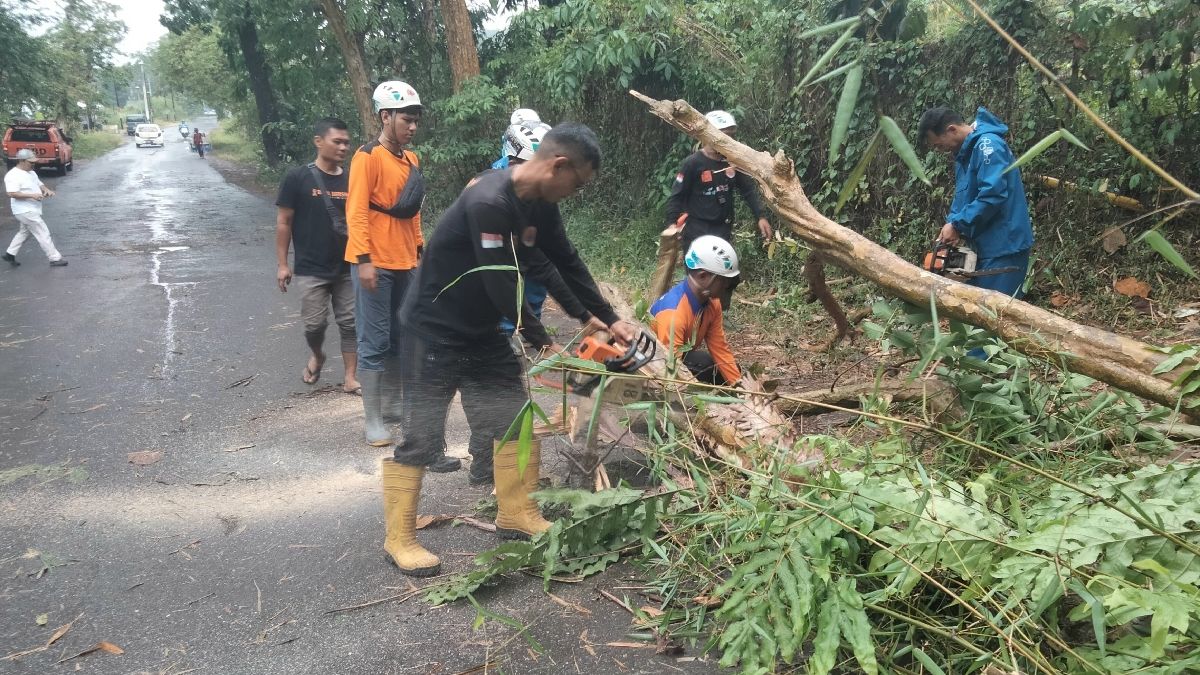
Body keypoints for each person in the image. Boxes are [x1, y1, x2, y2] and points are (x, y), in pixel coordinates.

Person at [380, 122, 640, 576]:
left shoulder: (538, 203)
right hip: (433, 330)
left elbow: (563, 259)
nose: (576, 192)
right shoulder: (489, 200)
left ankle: (515, 514)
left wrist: (603, 316)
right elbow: (498, 277)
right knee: (422, 433)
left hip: (481, 331)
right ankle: (398, 538)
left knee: (514, 420)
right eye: (577, 183)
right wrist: (542, 339)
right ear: (558, 165)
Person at [345, 80, 457, 470]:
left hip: (405, 261)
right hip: (374, 261)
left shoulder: (412, 160)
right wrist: (363, 259)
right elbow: (356, 210)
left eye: (415, 121)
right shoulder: (367, 156)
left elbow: (413, 213)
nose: (411, 127)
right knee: (374, 339)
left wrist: (421, 251)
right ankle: (372, 419)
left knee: (402, 335)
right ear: (385, 116)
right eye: (405, 120)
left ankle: (392, 404)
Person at [275, 117, 360, 395]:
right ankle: (318, 355)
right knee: (315, 325)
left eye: (347, 142)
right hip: (311, 268)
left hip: (347, 266)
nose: (343, 147)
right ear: (318, 141)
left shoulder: (353, 179)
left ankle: (350, 377)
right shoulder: (297, 177)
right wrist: (283, 264)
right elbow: (284, 221)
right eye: (337, 141)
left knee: (350, 323)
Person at [918, 106, 1033, 298]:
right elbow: (963, 197)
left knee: (1000, 315)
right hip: (985, 246)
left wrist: (957, 224)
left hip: (1004, 246)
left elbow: (992, 195)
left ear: (952, 129)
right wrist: (952, 225)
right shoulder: (965, 154)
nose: (940, 150)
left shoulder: (988, 147)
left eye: (938, 145)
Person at [665, 109, 771, 308]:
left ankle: (716, 318)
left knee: (725, 277)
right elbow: (676, 197)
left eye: (731, 136)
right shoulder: (692, 164)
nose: (727, 140)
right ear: (709, 134)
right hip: (696, 230)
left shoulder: (732, 163)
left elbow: (748, 190)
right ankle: (692, 319)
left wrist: (761, 216)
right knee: (698, 278)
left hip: (722, 229)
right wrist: (672, 225)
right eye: (724, 134)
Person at [650, 235, 741, 386]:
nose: (726, 287)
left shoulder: (713, 304)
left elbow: (720, 350)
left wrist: (741, 388)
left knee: (726, 371)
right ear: (703, 276)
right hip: (658, 362)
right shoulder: (673, 314)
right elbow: (670, 368)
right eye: (723, 281)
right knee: (704, 366)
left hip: (680, 356)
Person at [4, 149, 67, 268]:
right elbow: (11, 193)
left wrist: (46, 190)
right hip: (24, 210)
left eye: (34, 162)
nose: (33, 164)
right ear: (21, 161)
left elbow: (39, 183)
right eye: (30, 162)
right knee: (42, 232)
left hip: (32, 209)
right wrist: (32, 195)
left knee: (24, 232)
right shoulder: (13, 175)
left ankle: (10, 254)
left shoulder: (31, 172)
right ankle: (54, 258)